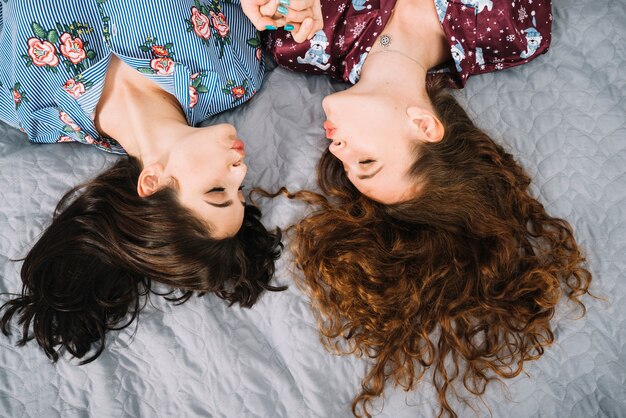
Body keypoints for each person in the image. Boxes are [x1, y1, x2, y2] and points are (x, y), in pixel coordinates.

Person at [243, 0, 592, 416]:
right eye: (367, 162)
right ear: (424, 126)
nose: (337, 150)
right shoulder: (514, 30)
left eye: (348, 166)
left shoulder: (297, 39)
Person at [0, 0, 285, 364]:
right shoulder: (237, 72)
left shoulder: (30, 108)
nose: (241, 171)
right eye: (239, 191)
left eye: (217, 191)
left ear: (152, 181)